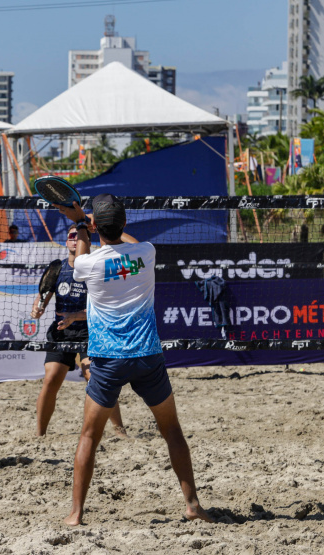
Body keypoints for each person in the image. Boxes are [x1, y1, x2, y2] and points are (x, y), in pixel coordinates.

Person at [56, 194, 212, 526]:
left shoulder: (88, 264)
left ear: (97, 226)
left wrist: (81, 222)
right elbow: (129, 242)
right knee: (171, 430)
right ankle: (193, 505)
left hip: (108, 360)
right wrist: (93, 222)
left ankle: (76, 514)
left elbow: (81, 255)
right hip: (147, 356)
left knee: (89, 437)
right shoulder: (146, 253)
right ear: (125, 223)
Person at [31, 224, 127, 438]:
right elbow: (42, 297)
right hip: (61, 331)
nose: (75, 239)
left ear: (87, 241)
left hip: (90, 331)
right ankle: (39, 435)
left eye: (79, 236)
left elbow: (102, 307)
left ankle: (120, 430)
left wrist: (76, 316)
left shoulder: (96, 268)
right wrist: (37, 308)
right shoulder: (58, 268)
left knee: (96, 379)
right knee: (51, 379)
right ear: (66, 242)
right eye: (71, 236)